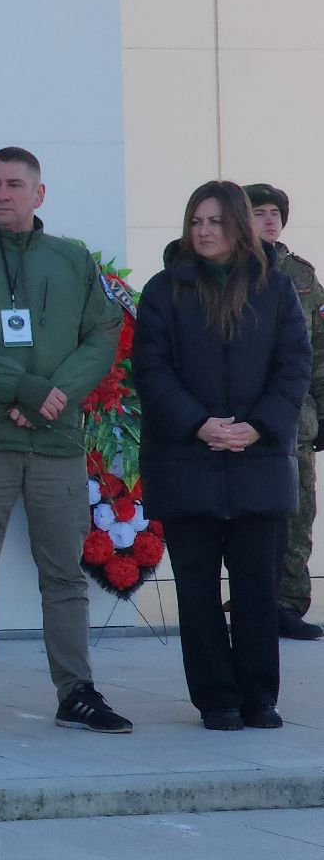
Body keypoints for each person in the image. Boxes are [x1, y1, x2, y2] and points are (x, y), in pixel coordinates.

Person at [0, 146, 131, 735]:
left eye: (13, 184)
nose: (1, 194)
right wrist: (25, 389)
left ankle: (76, 691)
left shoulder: (72, 259)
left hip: (55, 445)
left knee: (64, 576)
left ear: (39, 193)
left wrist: (53, 395)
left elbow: (102, 333)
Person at [132, 181, 311, 730]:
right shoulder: (163, 290)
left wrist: (258, 427)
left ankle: (259, 696)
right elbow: (152, 370)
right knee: (197, 590)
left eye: (214, 221)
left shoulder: (276, 289)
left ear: (238, 225)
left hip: (258, 462)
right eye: (196, 221)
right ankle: (216, 698)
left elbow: (294, 367)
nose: (204, 231)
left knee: (258, 587)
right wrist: (199, 424)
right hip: (186, 461)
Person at [245, 183, 324, 641]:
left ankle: (288, 604)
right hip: (242, 421)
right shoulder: (228, 271)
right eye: (259, 212)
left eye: (275, 212)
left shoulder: (302, 276)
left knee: (297, 515)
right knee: (249, 516)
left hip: (296, 423)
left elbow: (320, 352)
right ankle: (251, 598)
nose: (270, 220)